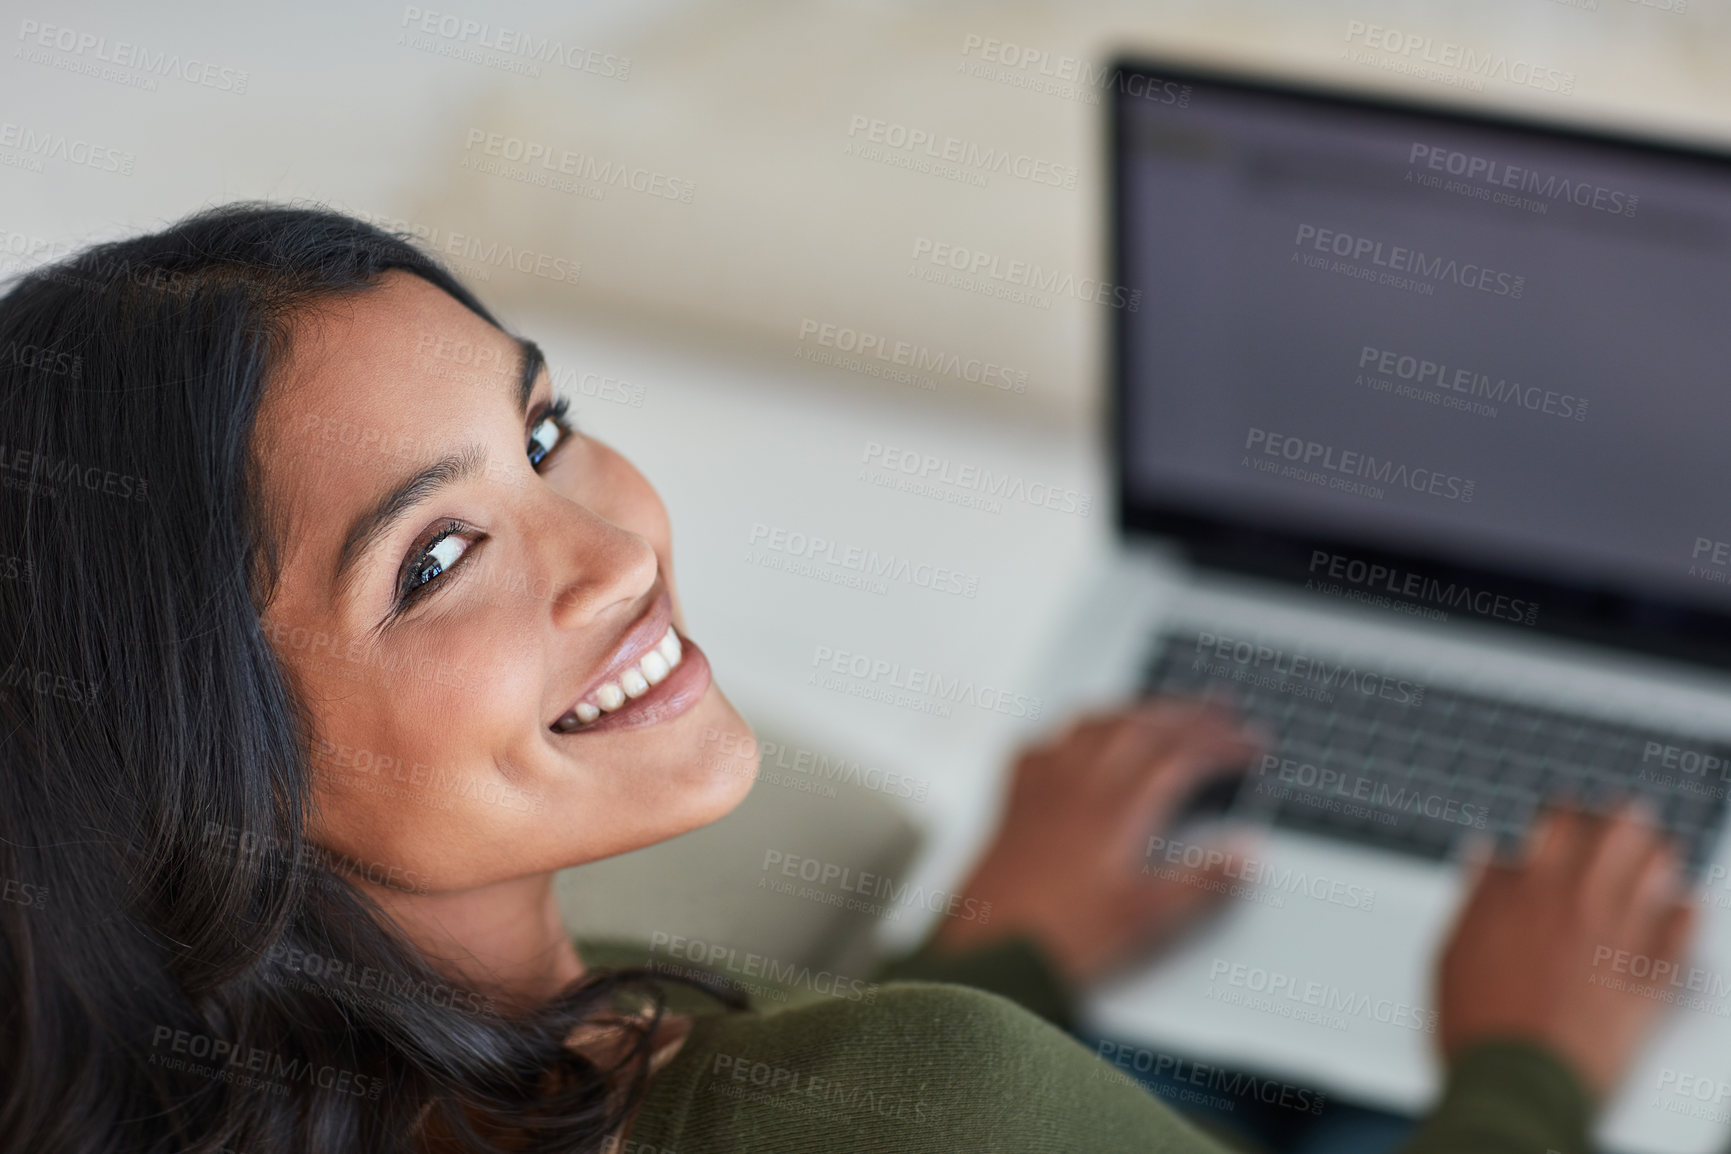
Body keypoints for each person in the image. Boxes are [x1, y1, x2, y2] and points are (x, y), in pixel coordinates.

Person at [0, 204, 1696, 1154]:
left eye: (539, 430)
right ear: (190, 769)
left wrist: (1004, 944)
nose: (614, 545)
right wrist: (1525, 1063)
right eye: (436, 560)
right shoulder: (939, 1093)